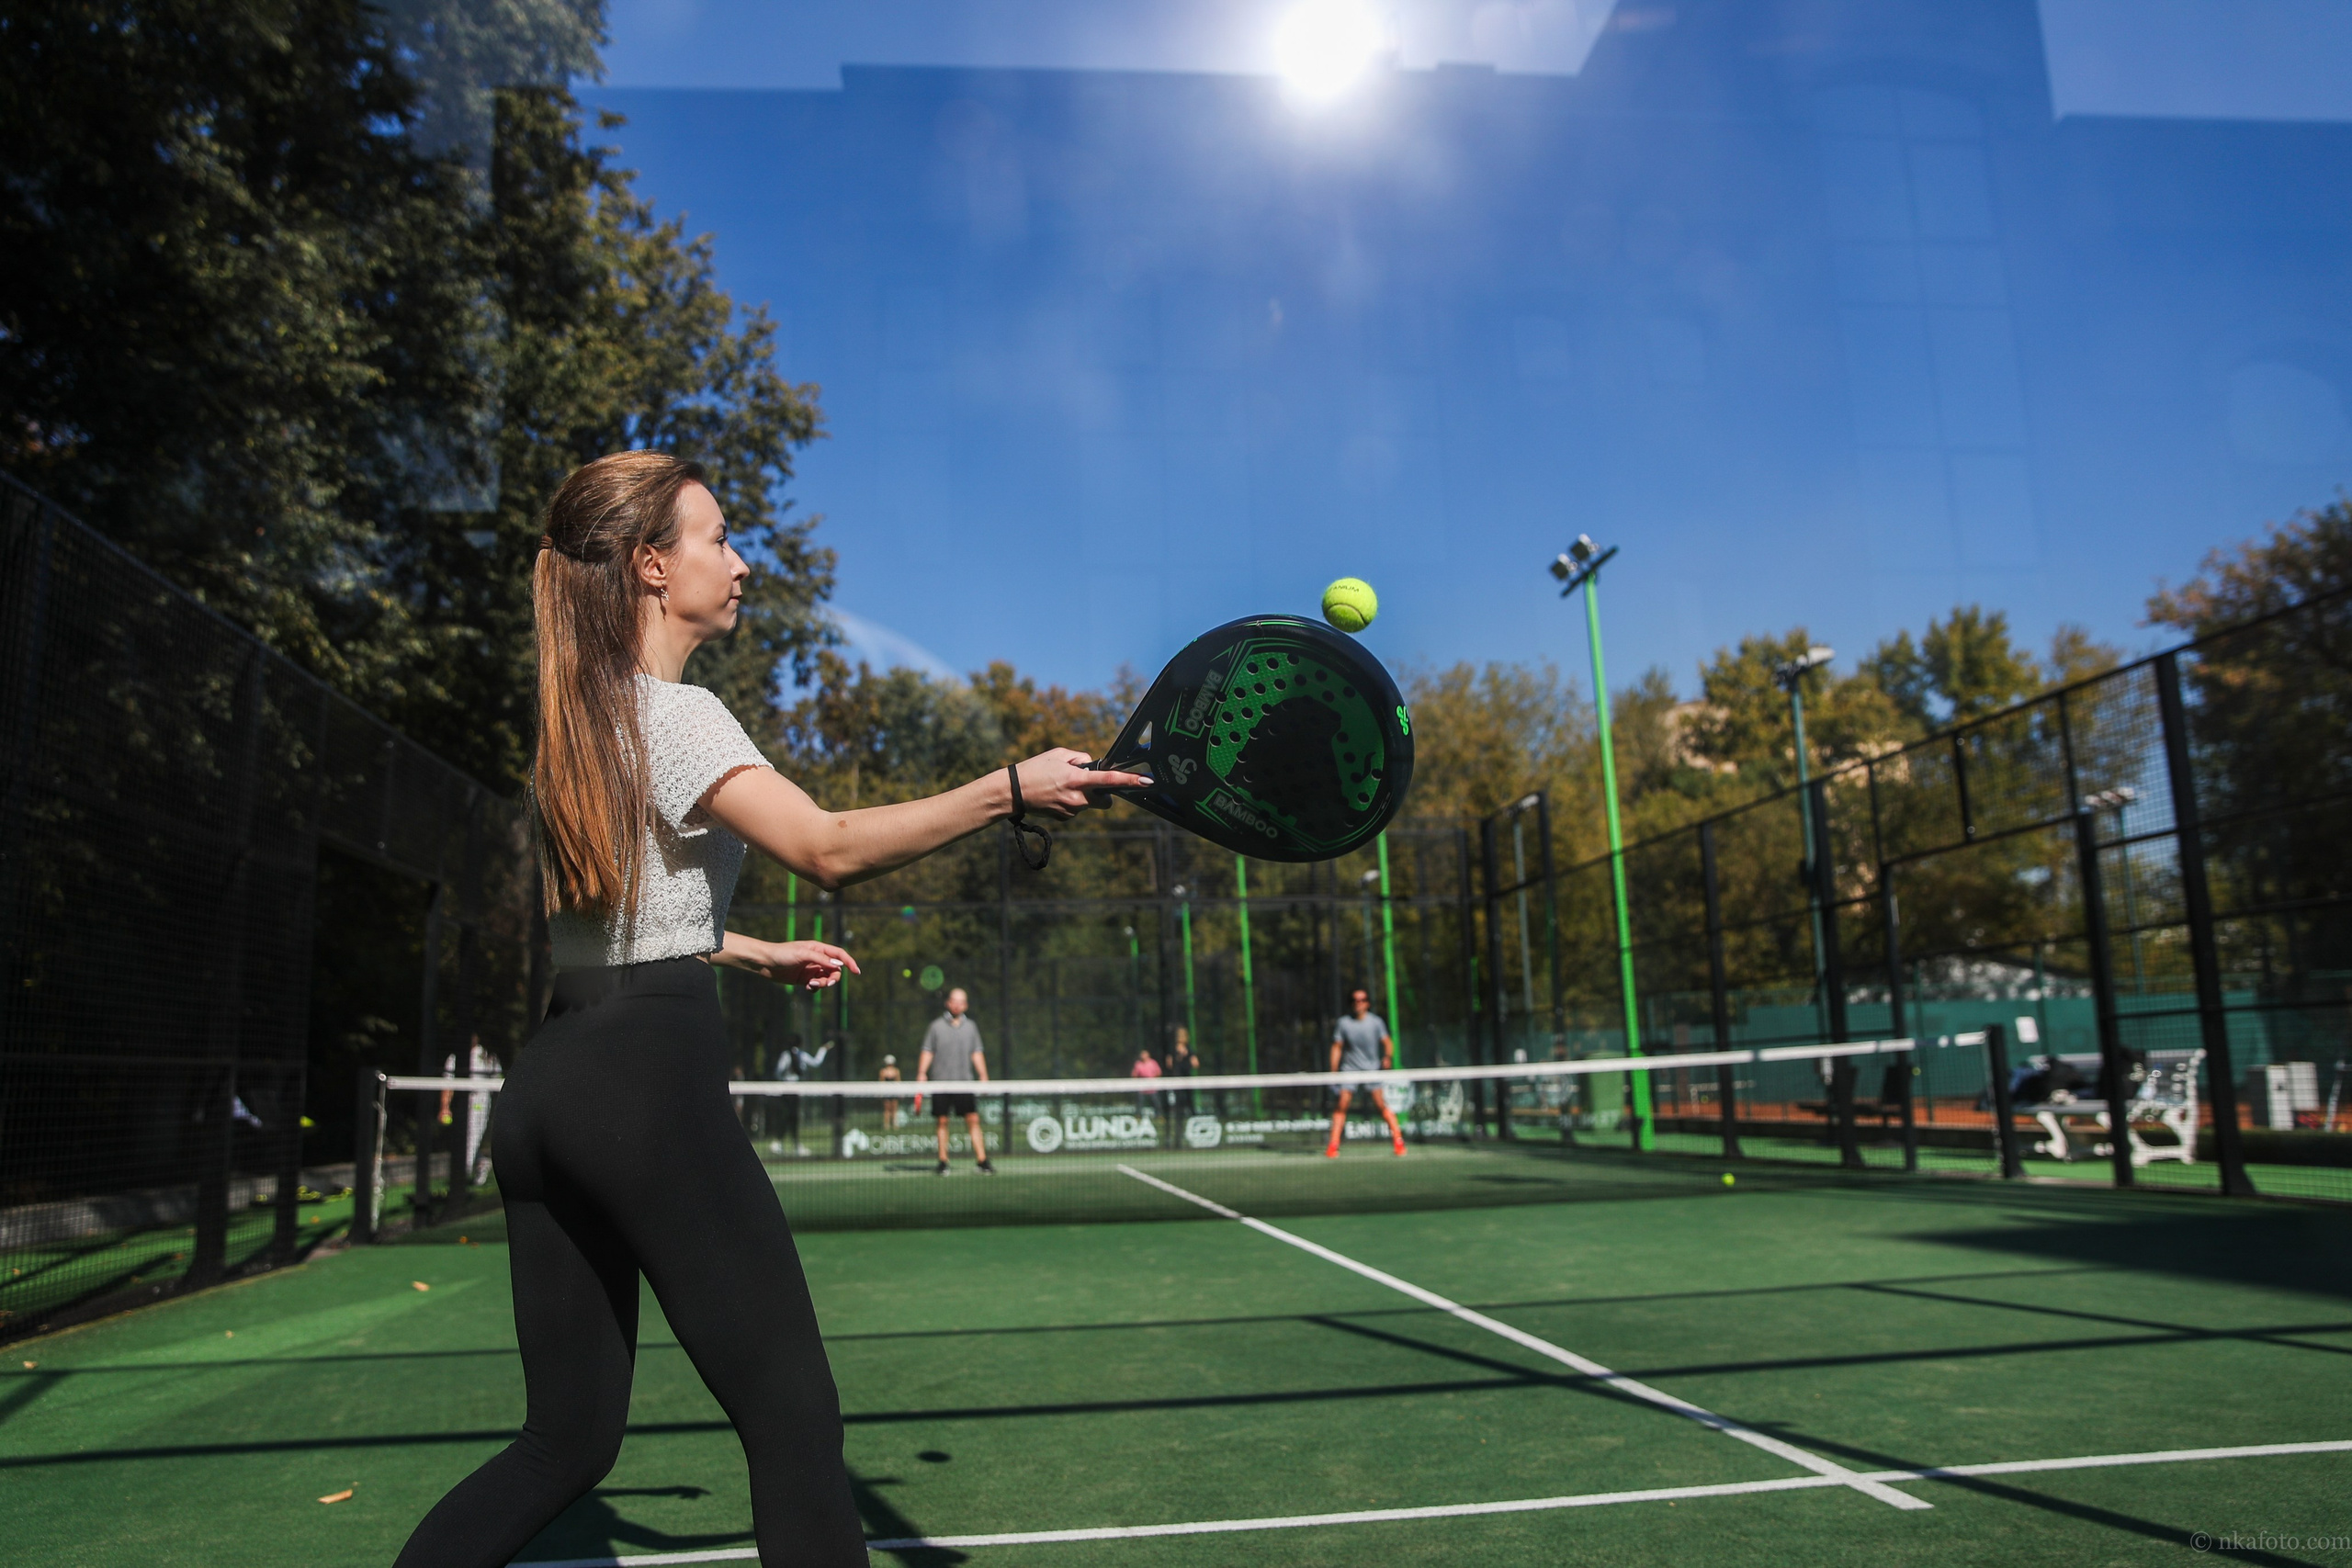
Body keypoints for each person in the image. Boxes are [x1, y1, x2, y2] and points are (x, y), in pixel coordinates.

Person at [394, 451, 1143, 1568]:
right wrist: (1011, 788)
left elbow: (615, 918)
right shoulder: (681, 716)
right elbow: (826, 848)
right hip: (646, 1087)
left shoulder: (579, 718)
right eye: (718, 540)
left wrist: (739, 948)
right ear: (652, 568)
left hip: (551, 1085)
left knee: (565, 1444)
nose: (742, 563)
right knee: (795, 1428)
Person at [917, 987, 993, 1174]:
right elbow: (928, 1051)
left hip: (964, 1083)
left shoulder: (971, 1027)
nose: (957, 1005)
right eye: (954, 1001)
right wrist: (921, 1073)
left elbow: (976, 1053)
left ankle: (982, 1161)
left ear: (966, 1005)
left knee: (973, 1119)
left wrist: (983, 1075)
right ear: (948, 1003)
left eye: (962, 1001)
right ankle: (943, 1162)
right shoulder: (936, 1026)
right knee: (942, 1121)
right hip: (941, 1083)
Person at [1328, 987, 1408, 1158]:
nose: (1359, 1003)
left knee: (1381, 1105)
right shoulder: (1344, 1023)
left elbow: (1387, 1042)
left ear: (1368, 1003)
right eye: (1356, 1000)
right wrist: (1333, 1071)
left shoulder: (1376, 1022)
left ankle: (1399, 1141)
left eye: (1362, 1000)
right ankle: (1333, 1145)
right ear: (1351, 1003)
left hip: (1372, 1070)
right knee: (1341, 1105)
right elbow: (1337, 1047)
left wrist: (1387, 1056)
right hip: (1350, 1070)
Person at [1130, 1044, 1163, 1116]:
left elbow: (1158, 1072)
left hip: (1152, 1086)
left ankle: (1159, 1115)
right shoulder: (1138, 1064)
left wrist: (1153, 1080)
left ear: (1148, 1055)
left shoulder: (1153, 1062)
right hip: (1142, 1086)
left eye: (1144, 1054)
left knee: (1156, 1101)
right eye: (1142, 1054)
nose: (1143, 1055)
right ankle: (1138, 1115)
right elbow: (1134, 1075)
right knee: (1140, 1101)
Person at [878, 1054, 902, 1130]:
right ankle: (888, 1125)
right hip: (887, 1092)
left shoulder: (895, 1071)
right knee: (889, 1110)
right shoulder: (883, 1071)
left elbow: (898, 1082)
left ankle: (893, 1125)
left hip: (893, 1092)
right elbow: (882, 1083)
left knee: (892, 1109)